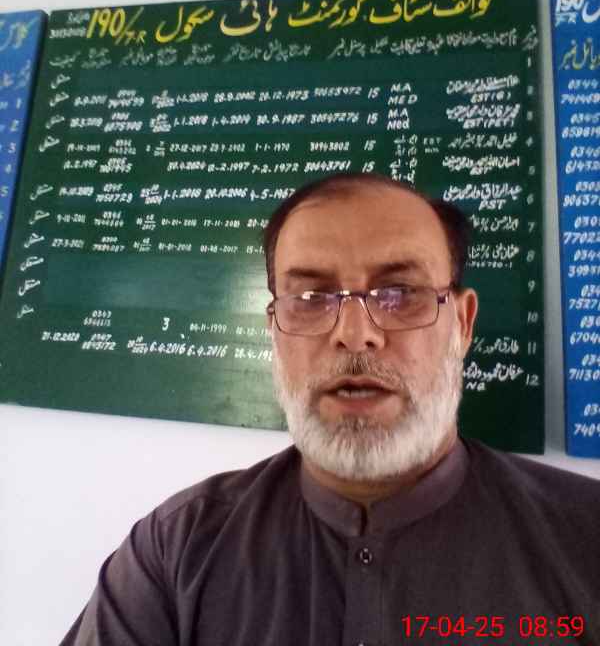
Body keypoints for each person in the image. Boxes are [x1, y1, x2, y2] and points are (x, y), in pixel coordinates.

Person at [61, 172, 600, 646]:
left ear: (461, 323)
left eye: (399, 292)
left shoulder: (585, 538)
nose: (355, 334)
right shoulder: (174, 551)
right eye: (310, 298)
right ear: (275, 329)